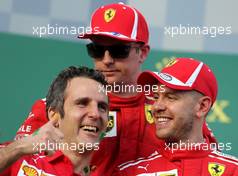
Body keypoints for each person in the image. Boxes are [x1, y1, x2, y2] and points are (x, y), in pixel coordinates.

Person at [3, 3, 217, 175]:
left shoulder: (166, 112)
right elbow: (14, 162)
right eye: (96, 49)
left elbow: (205, 164)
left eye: (118, 50)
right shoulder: (56, 105)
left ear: (143, 53)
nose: (106, 60)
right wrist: (20, 147)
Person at [116, 58, 238, 176]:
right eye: (155, 97)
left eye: (170, 97)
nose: (156, 106)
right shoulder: (128, 173)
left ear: (202, 107)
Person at [0, 66, 109, 175]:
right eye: (82, 103)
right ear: (54, 115)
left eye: (102, 107)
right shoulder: (21, 159)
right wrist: (18, 148)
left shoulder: (115, 170)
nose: (95, 114)